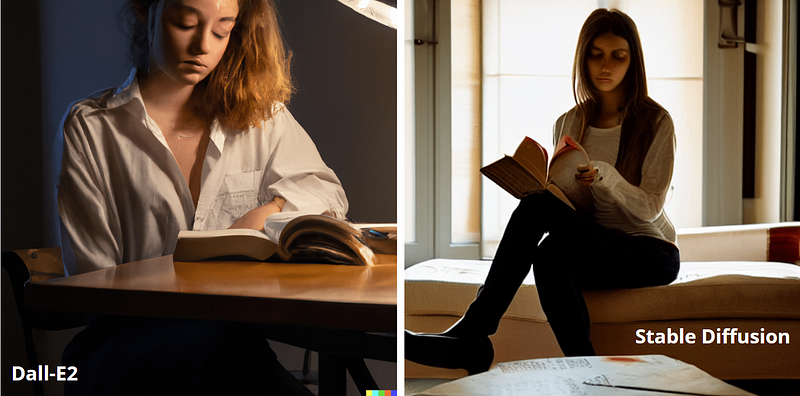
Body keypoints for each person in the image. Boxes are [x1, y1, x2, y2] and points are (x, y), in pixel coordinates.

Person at [57, 0, 347, 394]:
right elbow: (95, 284)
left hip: (224, 343)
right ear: (147, 11)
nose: (202, 46)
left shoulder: (261, 117)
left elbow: (326, 192)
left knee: (228, 343)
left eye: (221, 30)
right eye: (186, 22)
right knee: (227, 342)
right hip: (120, 347)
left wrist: (270, 210)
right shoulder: (92, 128)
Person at [406, 8, 680, 375]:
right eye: (596, 54)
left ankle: (474, 333)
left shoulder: (655, 122)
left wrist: (606, 177)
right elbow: (578, 210)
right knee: (549, 253)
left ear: (634, 62)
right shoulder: (569, 122)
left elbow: (649, 209)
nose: (606, 66)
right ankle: (588, 372)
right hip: (593, 243)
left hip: (648, 251)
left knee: (538, 212)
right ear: (583, 58)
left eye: (618, 56)